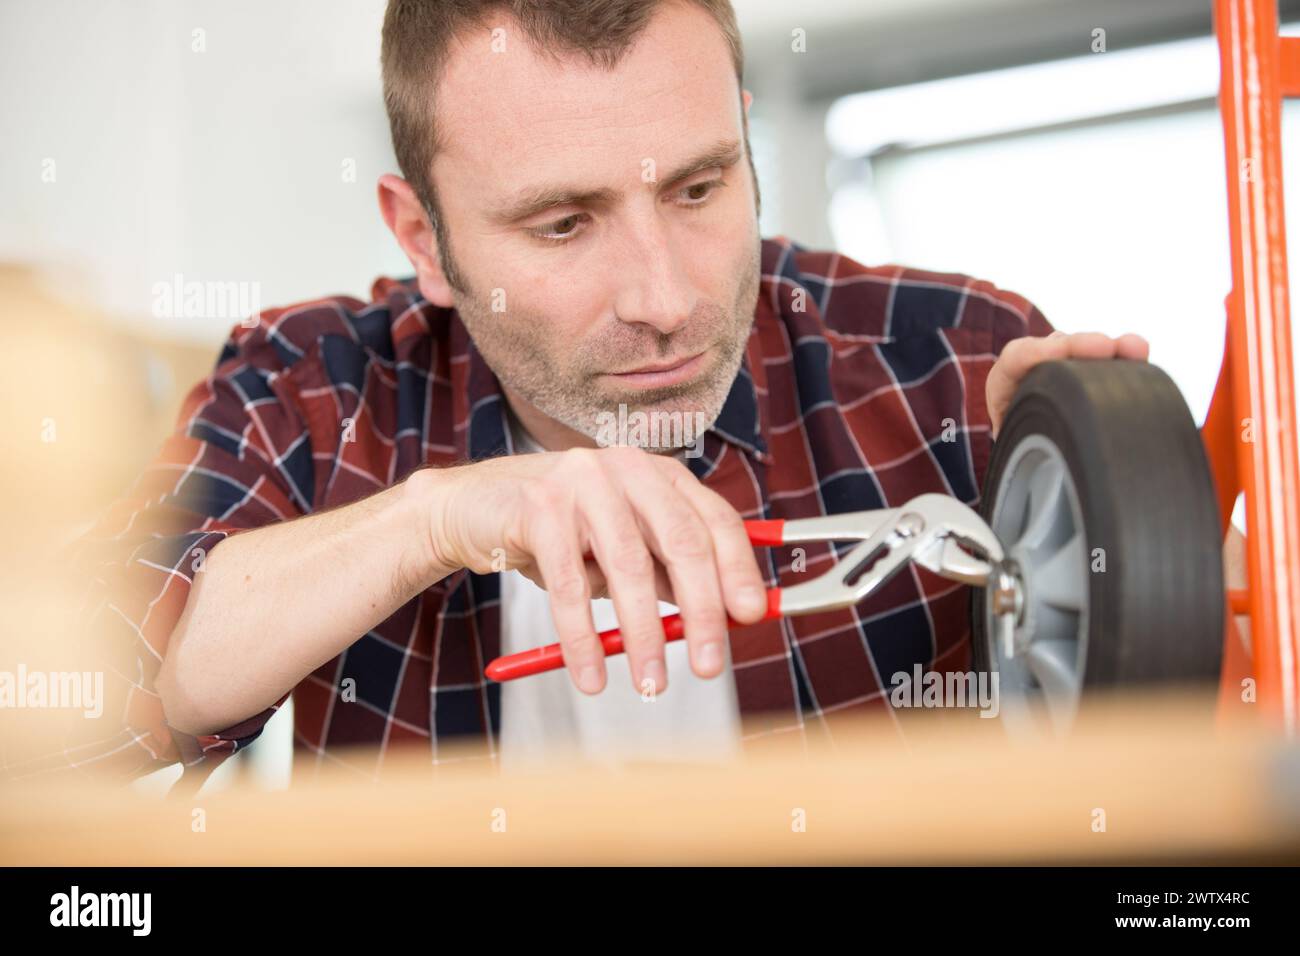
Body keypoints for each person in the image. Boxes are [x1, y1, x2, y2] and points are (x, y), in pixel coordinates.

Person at [33, 0, 1149, 785]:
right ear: (422, 236)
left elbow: (1176, 778)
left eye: (702, 187)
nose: (664, 298)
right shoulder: (309, 383)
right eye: (564, 222)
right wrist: (441, 516)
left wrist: (1121, 512)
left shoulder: (956, 362)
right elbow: (81, 703)